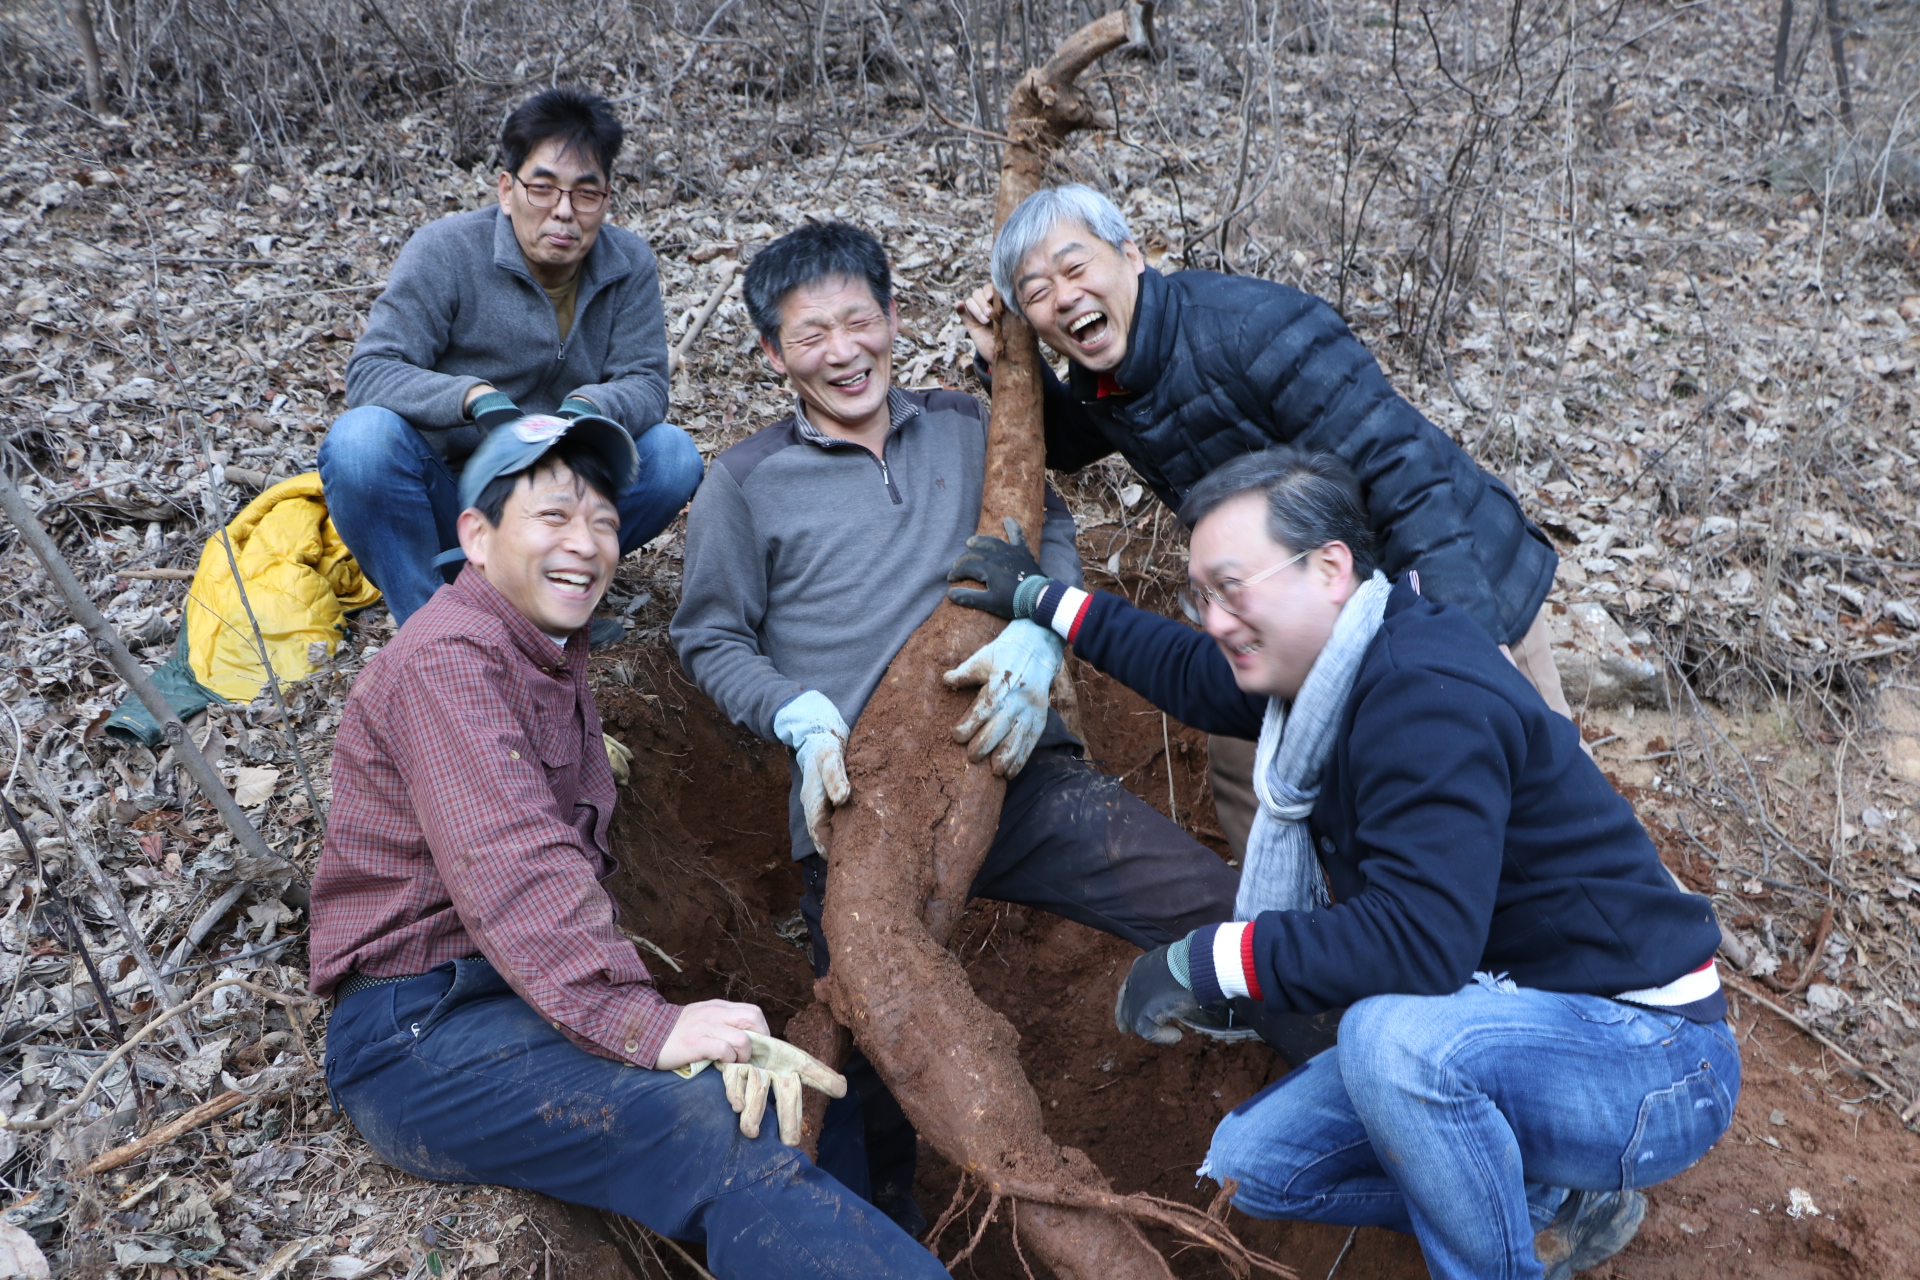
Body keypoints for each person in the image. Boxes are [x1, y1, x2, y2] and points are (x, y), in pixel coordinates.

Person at [945, 445, 1738, 1280]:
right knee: (1256, 1165)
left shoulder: (1423, 693)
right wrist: (1042, 599)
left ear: (1329, 569)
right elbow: (1188, 671)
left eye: (1234, 589)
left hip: (1651, 1053)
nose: (1215, 621)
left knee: (1389, 1041)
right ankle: (1559, 1202)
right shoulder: (1328, 670)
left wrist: (1211, 961)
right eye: (1203, 596)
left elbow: (1421, 942)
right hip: (1516, 1018)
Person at [671, 221, 1242, 1235]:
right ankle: (874, 1231)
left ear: (894, 317)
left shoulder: (967, 424)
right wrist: (794, 713)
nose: (843, 352)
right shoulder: (744, 483)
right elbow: (708, 636)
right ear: (771, 353)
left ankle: (1338, 1073)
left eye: (859, 321)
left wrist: (1040, 633)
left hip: (1013, 763)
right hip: (858, 810)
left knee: (1212, 907)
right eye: (811, 335)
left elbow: (1048, 525)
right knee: (865, 1047)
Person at [311, 413, 947, 1280]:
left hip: (504, 1000)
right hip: (417, 1036)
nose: (587, 542)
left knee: (786, 1089)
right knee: (726, 1129)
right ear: (477, 535)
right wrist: (645, 1024)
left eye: (605, 521)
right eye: (553, 515)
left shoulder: (539, 652)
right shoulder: (446, 663)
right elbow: (514, 868)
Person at [959, 183, 1570, 856]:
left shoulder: (1254, 328)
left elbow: (1405, 475)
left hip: (1453, 566)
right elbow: (1072, 444)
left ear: (1131, 254)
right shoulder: (1111, 376)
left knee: (1540, 797)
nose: (1063, 296)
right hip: (1299, 593)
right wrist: (999, 359)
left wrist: (1470, 642)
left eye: (1075, 267)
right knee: (1246, 766)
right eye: (1037, 292)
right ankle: (1296, 915)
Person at [319, 86, 703, 639]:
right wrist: (474, 398)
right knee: (360, 443)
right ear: (507, 188)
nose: (564, 211)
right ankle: (435, 632)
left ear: (606, 200)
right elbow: (372, 370)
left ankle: (542, 610)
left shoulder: (628, 263)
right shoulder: (446, 250)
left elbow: (646, 383)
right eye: (542, 188)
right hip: (454, 499)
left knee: (673, 456)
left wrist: (585, 409)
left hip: (562, 491)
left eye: (585, 193)